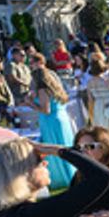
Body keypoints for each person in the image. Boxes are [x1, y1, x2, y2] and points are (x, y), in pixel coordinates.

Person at [29, 52, 76, 187]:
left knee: (54, 148)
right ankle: (70, 174)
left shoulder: (43, 89)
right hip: (61, 118)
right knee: (64, 145)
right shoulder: (53, 86)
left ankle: (60, 178)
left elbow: (46, 110)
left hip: (51, 121)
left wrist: (30, 103)